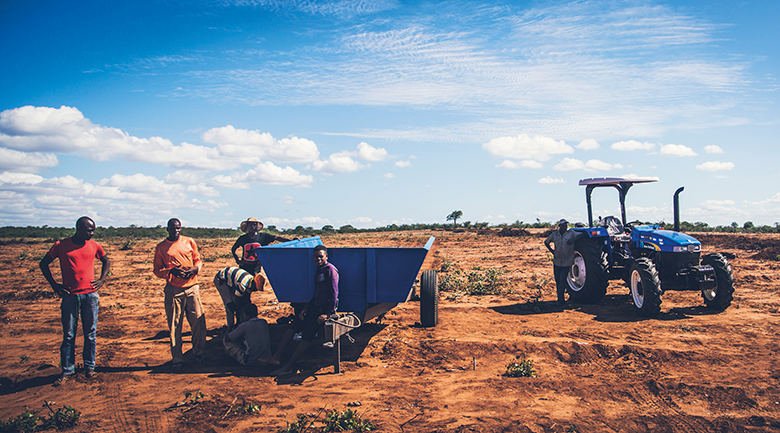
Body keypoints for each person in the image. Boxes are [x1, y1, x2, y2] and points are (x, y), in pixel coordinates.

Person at [39, 216, 110, 385]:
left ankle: (89, 368)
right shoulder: (61, 245)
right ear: (78, 228)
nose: (91, 233)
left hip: (91, 296)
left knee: (90, 334)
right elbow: (44, 264)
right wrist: (55, 285)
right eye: (88, 230)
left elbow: (106, 260)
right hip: (70, 296)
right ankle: (67, 370)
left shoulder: (94, 246)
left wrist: (102, 280)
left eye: (93, 230)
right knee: (69, 335)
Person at [269, 244, 338, 375]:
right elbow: (317, 292)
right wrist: (306, 307)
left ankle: (289, 366)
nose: (318, 259)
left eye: (320, 257)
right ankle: (276, 357)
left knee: (307, 335)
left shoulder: (330, 270)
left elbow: (334, 293)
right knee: (294, 326)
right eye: (315, 257)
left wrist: (328, 314)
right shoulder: (319, 269)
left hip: (322, 310)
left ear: (326, 257)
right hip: (314, 307)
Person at [153, 218, 206, 370]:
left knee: (198, 322)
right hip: (173, 290)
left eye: (178, 228)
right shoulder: (161, 247)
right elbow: (157, 270)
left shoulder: (189, 242)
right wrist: (171, 271)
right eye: (173, 228)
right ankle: (177, 358)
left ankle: (199, 354)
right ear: (167, 229)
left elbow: (198, 260)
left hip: (192, 288)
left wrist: (194, 270)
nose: (176, 231)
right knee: (175, 325)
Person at [544, 219, 583, 305]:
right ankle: (561, 298)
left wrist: (573, 240)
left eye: (566, 225)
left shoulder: (571, 234)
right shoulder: (555, 235)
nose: (565, 227)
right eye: (563, 225)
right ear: (559, 226)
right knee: (557, 280)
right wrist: (552, 251)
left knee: (562, 280)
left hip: (567, 261)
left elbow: (581, 235)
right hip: (557, 261)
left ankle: (561, 300)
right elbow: (546, 242)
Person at [213, 266, 265, 331]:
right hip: (221, 279)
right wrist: (239, 321)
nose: (255, 290)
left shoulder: (251, 283)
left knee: (241, 304)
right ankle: (230, 327)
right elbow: (238, 301)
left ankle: (239, 324)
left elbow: (246, 300)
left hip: (232, 280)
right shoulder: (243, 284)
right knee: (230, 305)